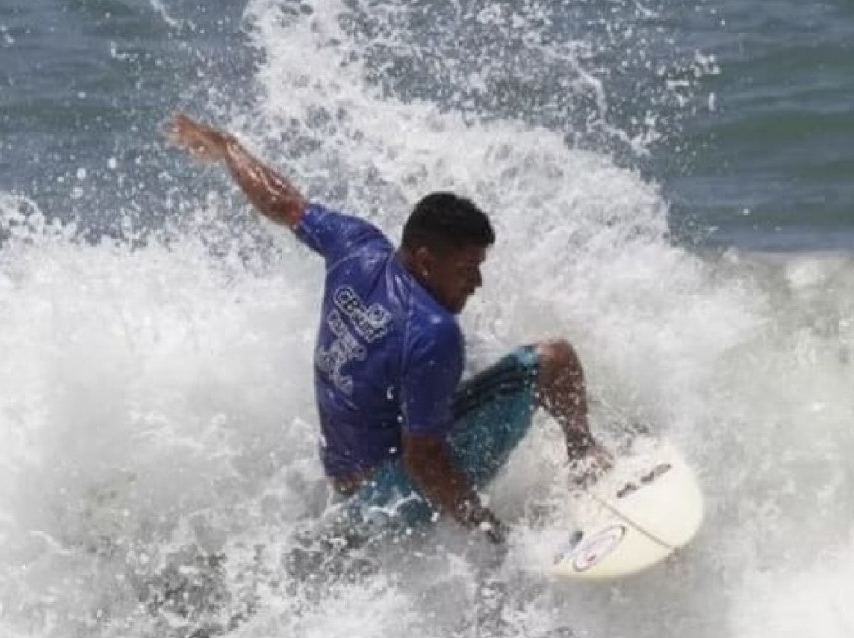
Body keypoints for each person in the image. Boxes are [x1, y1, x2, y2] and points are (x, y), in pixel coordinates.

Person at [167, 113, 610, 546]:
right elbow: (424, 460)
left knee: (454, 366)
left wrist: (229, 148)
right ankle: (586, 460)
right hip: (398, 498)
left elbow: (283, 203)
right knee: (555, 359)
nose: (476, 282)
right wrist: (494, 534)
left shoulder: (354, 245)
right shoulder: (433, 332)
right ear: (426, 261)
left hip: (347, 485)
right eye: (466, 269)